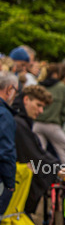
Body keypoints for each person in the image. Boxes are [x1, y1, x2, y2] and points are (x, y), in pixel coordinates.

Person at [8, 85, 65, 225]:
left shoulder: (23, 123)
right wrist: (57, 168)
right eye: (38, 105)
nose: (41, 111)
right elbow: (34, 156)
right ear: (26, 100)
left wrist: (58, 165)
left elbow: (40, 153)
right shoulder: (18, 124)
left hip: (13, 194)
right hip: (10, 194)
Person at [34, 62, 65, 164]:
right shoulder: (60, 87)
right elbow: (64, 110)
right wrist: (61, 123)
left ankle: (37, 177)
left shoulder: (38, 85)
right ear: (56, 74)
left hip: (37, 125)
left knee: (38, 154)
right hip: (53, 125)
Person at [0, 71, 18, 217]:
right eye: (16, 91)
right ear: (9, 89)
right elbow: (6, 151)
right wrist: (10, 183)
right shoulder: (5, 115)